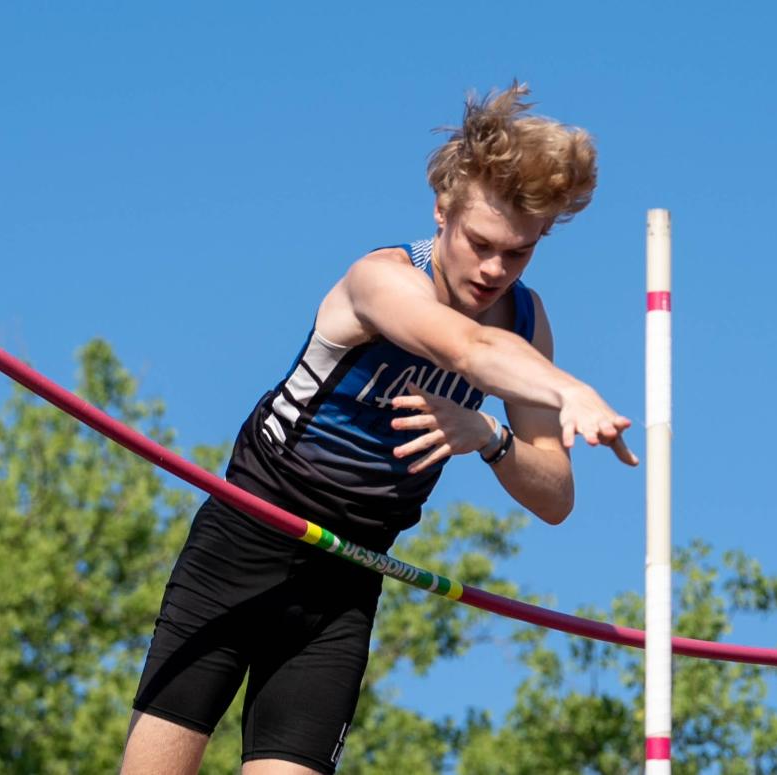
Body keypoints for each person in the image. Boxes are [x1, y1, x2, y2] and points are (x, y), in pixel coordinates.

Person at [120, 82, 637, 775]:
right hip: (243, 547)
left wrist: (488, 435)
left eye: (517, 253)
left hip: (347, 578)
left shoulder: (525, 324)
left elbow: (554, 496)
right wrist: (572, 386)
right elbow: (462, 349)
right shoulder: (382, 279)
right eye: (481, 243)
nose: (494, 269)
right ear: (442, 210)